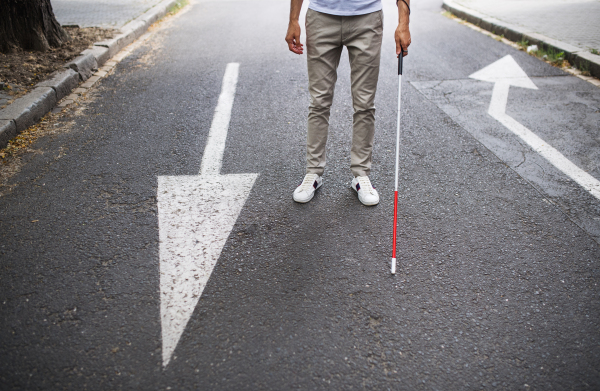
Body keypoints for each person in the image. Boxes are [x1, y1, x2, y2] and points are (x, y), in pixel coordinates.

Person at [286, 0, 411, 205]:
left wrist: (403, 22)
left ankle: (361, 175)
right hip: (321, 17)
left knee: (364, 103)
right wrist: (293, 19)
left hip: (367, 18)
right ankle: (313, 172)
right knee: (319, 101)